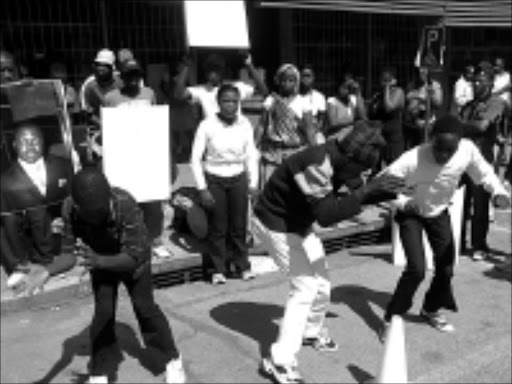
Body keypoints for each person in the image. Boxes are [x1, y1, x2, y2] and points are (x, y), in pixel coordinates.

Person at [253, 120, 407, 384]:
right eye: (362, 168)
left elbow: (356, 193)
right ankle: (279, 361)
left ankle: (310, 332)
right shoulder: (318, 163)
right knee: (304, 287)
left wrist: (388, 192)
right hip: (275, 223)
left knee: (322, 282)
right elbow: (326, 215)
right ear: (350, 158)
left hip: (298, 222)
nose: (363, 174)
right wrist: (368, 191)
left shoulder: (344, 159)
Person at [381, 115, 510, 336]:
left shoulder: (467, 150)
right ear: (431, 139)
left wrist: (499, 192)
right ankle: (392, 317)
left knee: (446, 268)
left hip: (439, 212)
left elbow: (485, 173)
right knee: (416, 269)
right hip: (411, 214)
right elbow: (382, 183)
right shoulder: (413, 157)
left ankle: (430, 308)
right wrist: (403, 202)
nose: (443, 155)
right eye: (438, 148)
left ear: (459, 143)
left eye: (449, 150)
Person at [59, 168, 186, 384]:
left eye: (100, 211)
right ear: (78, 207)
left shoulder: (124, 203)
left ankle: (173, 359)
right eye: (89, 214)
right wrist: (46, 271)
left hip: (132, 260)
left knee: (145, 309)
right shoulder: (70, 208)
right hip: (98, 257)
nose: (96, 218)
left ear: (108, 196)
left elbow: (133, 257)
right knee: (103, 314)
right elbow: (67, 254)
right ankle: (99, 371)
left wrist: (99, 260)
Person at [190, 83, 259, 284]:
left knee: (239, 225)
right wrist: (202, 188)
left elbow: (251, 155)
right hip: (214, 178)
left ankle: (242, 266)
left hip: (238, 177)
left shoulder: (245, 124)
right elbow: (195, 159)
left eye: (234, 101)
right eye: (226, 101)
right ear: (218, 103)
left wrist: (253, 183)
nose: (231, 105)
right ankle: (217, 269)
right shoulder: (207, 125)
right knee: (218, 226)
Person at [104, 58, 172, 258]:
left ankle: (155, 240)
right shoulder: (111, 98)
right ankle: (126, 242)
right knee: (124, 202)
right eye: (128, 75)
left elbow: (155, 123)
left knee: (152, 202)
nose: (133, 79)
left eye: (136, 74)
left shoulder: (149, 94)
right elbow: (107, 127)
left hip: (147, 155)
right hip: (123, 158)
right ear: (121, 77)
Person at [0, 122, 76, 293]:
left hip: (62, 244)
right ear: (14, 145)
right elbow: (5, 228)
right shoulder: (5, 182)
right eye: (24, 141)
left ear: (43, 142)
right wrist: (17, 265)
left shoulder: (62, 166)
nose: (30, 146)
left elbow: (73, 200)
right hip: (32, 253)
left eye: (35, 140)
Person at [460, 62, 507, 261]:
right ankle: (459, 241)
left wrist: (459, 125)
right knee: (460, 203)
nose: (476, 84)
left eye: (480, 80)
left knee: (480, 205)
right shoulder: (468, 105)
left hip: (482, 158)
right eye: (474, 80)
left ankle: (479, 245)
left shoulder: (496, 102)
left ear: (490, 82)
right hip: (462, 158)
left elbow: (481, 126)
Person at [256, 64, 316, 186]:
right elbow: (262, 125)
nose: (287, 83)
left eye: (291, 80)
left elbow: (309, 129)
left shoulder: (303, 102)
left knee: (294, 189)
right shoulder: (270, 101)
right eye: (284, 80)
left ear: (296, 82)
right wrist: (254, 146)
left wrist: (314, 151)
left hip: (295, 152)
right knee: (272, 187)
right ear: (279, 81)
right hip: (273, 153)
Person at [174, 52, 268, 120]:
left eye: (216, 71)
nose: (212, 75)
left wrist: (249, 65)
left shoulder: (237, 87)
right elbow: (179, 94)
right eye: (209, 71)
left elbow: (263, 91)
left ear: (223, 72)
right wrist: (186, 66)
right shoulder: (201, 90)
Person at [368, 67, 405, 166]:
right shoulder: (377, 95)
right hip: (379, 138)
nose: (383, 82)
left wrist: (387, 87)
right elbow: (370, 113)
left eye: (387, 80)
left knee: (394, 168)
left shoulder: (398, 92)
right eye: (382, 80)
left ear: (393, 80)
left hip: (393, 140)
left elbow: (389, 107)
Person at [79, 49, 122, 127]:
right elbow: (87, 112)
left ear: (112, 68)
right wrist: (104, 125)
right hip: (98, 127)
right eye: (98, 65)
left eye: (105, 65)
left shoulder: (121, 82)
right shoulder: (89, 85)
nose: (100, 68)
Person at [404, 66, 443, 149]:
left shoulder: (435, 85)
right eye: (420, 71)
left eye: (424, 71)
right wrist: (419, 96)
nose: (422, 73)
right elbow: (409, 103)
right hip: (414, 124)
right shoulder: (411, 85)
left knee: (428, 148)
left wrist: (431, 95)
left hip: (429, 122)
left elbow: (438, 104)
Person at [325, 77, 366, 142]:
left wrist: (358, 92)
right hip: (336, 137)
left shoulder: (352, 100)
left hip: (351, 136)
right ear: (338, 87)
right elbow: (333, 123)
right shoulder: (332, 101)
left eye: (349, 88)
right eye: (344, 87)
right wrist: (352, 123)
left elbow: (363, 117)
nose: (347, 91)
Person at [299, 64, 327, 142]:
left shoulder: (319, 97)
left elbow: (321, 121)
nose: (305, 79)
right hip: (297, 134)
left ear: (313, 78)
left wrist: (313, 132)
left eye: (308, 76)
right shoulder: (294, 96)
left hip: (315, 133)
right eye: (303, 76)